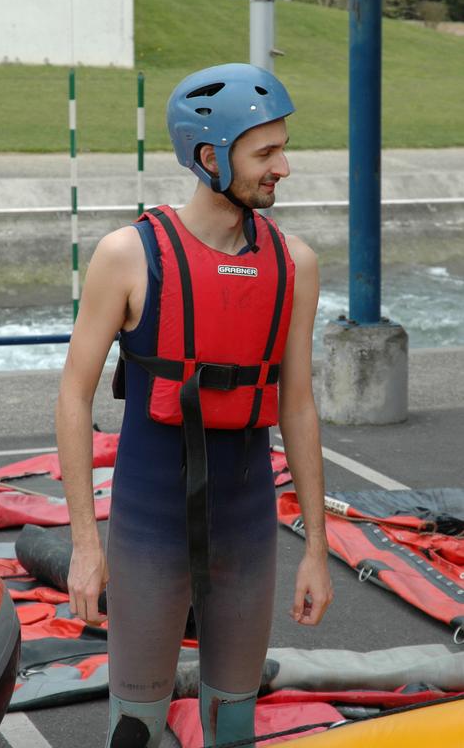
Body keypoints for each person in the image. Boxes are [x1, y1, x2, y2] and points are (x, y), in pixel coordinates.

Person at [56, 63, 333, 748]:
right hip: (149, 528)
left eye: (284, 147)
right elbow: (72, 395)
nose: (284, 168)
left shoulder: (295, 263)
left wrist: (318, 549)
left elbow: (296, 407)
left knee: (233, 725)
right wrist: (85, 546)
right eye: (266, 152)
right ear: (210, 156)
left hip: (247, 527)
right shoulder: (127, 256)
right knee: (135, 731)